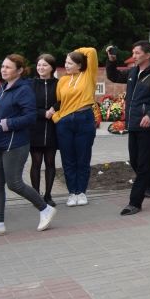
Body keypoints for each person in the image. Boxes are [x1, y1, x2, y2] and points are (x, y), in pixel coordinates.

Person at [0, 55, 56, 238]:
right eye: (3, 66)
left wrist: (6, 124)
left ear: (19, 70)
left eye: (8, 67)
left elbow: (29, 117)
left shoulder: (24, 90)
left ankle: (45, 209)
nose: (3, 70)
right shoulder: (4, 88)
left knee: (14, 183)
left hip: (14, 144)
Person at [106, 42, 150, 216]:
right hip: (134, 125)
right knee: (136, 162)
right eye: (133, 52)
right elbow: (113, 76)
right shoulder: (133, 72)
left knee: (143, 166)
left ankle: (134, 203)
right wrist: (112, 60)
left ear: (147, 55)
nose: (134, 56)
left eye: (137, 53)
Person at [53, 47, 99, 207]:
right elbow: (59, 103)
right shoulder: (63, 80)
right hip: (65, 122)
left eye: (70, 62)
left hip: (84, 119)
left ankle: (82, 192)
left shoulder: (88, 75)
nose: (66, 65)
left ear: (80, 65)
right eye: (65, 62)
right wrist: (56, 118)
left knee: (83, 158)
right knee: (68, 159)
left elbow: (91, 52)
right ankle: (72, 192)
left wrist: (75, 51)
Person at [29, 54, 60, 207]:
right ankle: (36, 196)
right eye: (39, 65)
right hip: (35, 128)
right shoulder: (30, 84)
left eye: (45, 65)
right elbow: (27, 106)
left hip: (53, 129)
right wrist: (43, 113)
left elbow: (63, 100)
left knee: (50, 162)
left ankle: (48, 195)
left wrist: (54, 108)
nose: (41, 68)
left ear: (52, 68)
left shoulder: (59, 83)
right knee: (36, 163)